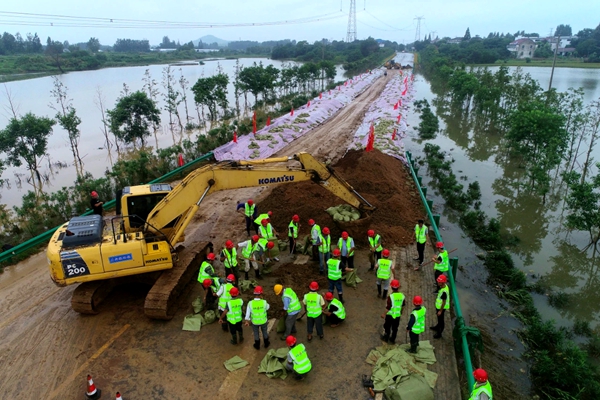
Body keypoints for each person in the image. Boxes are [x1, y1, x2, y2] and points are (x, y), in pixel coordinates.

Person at [380, 279, 405, 344]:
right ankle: (392, 339)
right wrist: (401, 312)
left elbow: (388, 307)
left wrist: (383, 314)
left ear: (391, 287)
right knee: (395, 328)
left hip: (390, 315)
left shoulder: (391, 297)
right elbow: (403, 306)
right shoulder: (402, 296)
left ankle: (386, 337)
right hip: (397, 316)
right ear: (398, 287)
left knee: (387, 326)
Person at [431, 274, 449, 339]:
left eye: (439, 282)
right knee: (439, 319)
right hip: (438, 307)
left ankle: (439, 333)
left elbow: (444, 302)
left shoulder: (444, 291)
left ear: (443, 282)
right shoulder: (443, 287)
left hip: (441, 308)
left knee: (441, 321)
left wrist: (440, 311)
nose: (438, 282)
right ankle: (437, 327)